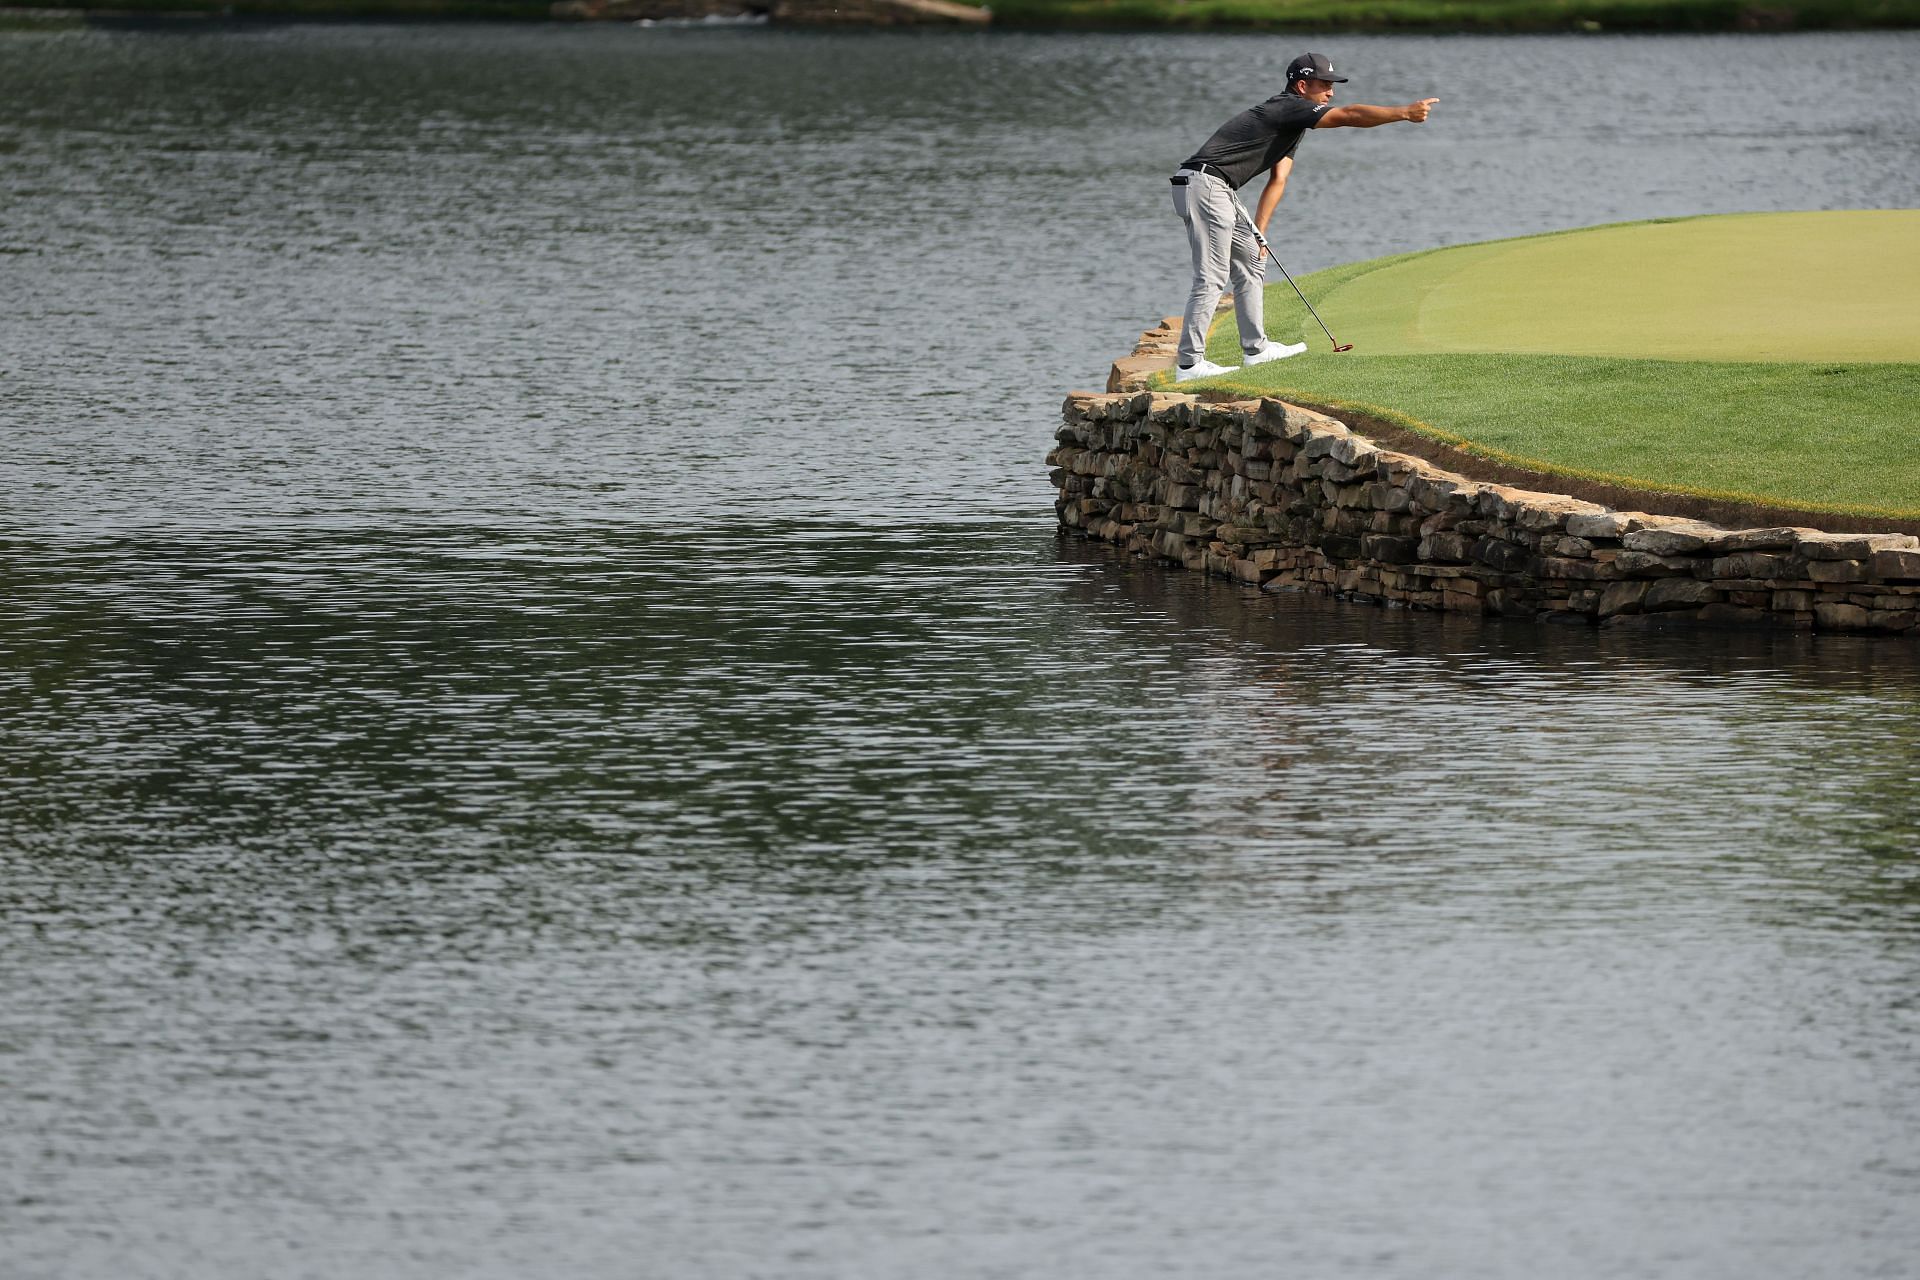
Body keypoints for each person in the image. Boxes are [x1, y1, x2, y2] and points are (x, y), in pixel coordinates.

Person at [1171, 52, 1439, 382]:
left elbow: (1278, 180)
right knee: (1211, 276)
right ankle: (1189, 364)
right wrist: (1403, 113)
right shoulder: (1289, 107)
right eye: (1325, 85)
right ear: (1302, 86)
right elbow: (1350, 115)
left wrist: (1261, 233)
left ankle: (1256, 349)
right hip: (1206, 184)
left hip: (1216, 188)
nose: (1331, 92)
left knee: (1252, 262)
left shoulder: (1292, 124)